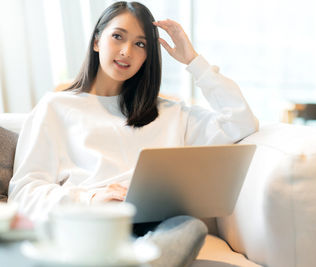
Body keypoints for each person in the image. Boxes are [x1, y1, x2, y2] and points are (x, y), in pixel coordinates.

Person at [8, 1, 258, 266]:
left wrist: (194, 62)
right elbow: (24, 192)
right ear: (96, 41)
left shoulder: (172, 114)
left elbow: (241, 122)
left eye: (140, 44)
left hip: (154, 227)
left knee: (190, 226)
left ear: (148, 55)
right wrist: (89, 197)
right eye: (118, 37)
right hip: (93, 221)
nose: (127, 51)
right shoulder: (55, 108)